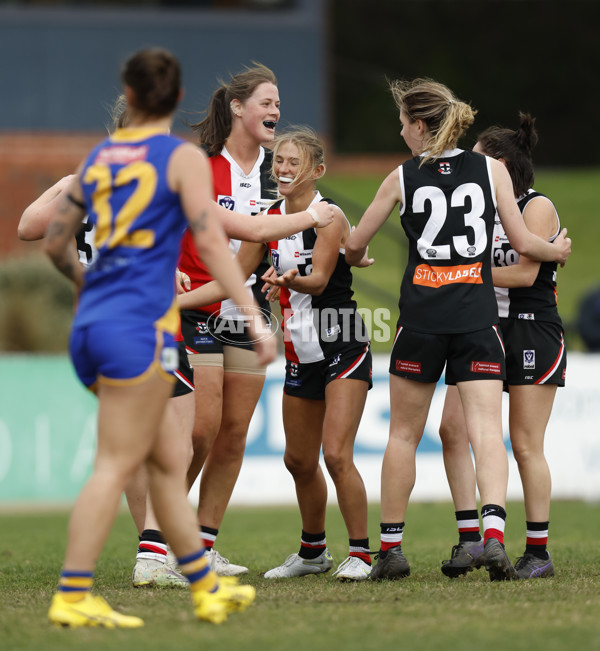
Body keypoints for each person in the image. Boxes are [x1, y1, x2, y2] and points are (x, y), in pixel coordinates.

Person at [43, 47, 271, 628]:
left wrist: (90, 285)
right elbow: (215, 244)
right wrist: (249, 312)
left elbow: (49, 241)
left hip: (96, 326)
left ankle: (200, 584)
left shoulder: (98, 160)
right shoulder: (178, 158)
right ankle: (73, 592)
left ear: (131, 96)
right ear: (173, 100)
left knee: (166, 459)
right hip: (139, 326)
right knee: (121, 461)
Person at [344, 78, 571, 582]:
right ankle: (492, 534)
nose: (401, 131)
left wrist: (358, 256)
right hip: (476, 317)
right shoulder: (491, 170)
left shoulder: (401, 177)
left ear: (420, 126)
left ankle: (392, 549)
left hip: (422, 318)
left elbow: (356, 243)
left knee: (403, 434)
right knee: (488, 431)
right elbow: (522, 241)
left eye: (403, 123)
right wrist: (554, 251)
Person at [179, 126, 374, 580]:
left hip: (341, 340)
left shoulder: (329, 215)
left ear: (317, 171)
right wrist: (173, 302)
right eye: (279, 161)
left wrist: (287, 282)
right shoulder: (268, 219)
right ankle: (313, 554)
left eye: (293, 162)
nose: (282, 169)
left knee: (336, 455)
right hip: (299, 349)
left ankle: (363, 555)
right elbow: (232, 276)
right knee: (297, 460)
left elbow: (321, 279)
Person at [438, 113, 566, 580]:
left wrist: (462, 273)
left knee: (526, 443)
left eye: (478, 161)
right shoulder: (476, 210)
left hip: (531, 328)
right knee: (452, 431)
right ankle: (471, 539)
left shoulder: (535, 206)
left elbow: (525, 275)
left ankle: (538, 551)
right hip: (480, 327)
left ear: (503, 168)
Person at [177, 62, 282, 576]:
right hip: (196, 304)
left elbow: (284, 234)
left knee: (234, 432)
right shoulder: (197, 164)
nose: (276, 110)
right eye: (266, 101)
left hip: (246, 309)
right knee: (201, 430)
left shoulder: (275, 171)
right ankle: (162, 539)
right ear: (238, 107)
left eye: (278, 103)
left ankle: (202, 544)